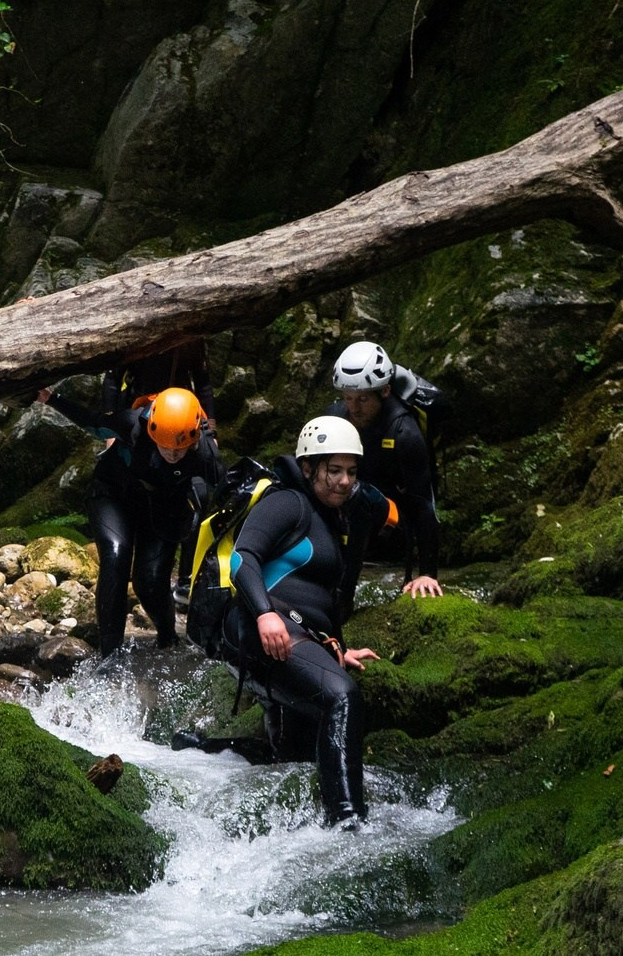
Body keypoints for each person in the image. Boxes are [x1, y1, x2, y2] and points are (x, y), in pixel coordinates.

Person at [218, 416, 381, 823]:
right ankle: (347, 820)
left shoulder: (331, 519)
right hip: (260, 632)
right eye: (334, 470)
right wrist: (265, 614)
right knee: (342, 697)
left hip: (295, 634)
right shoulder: (287, 502)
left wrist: (338, 649)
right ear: (309, 468)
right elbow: (243, 559)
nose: (344, 481)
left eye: (351, 472)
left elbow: (322, 600)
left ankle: (200, 749)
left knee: (292, 756)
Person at [44, 384, 224, 653]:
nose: (173, 454)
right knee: (116, 556)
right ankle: (110, 655)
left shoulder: (205, 454)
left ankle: (168, 639)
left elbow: (224, 491)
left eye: (180, 448)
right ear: (152, 430)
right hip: (114, 494)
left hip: (164, 507)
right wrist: (51, 399)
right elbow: (92, 423)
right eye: (165, 446)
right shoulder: (132, 424)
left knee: (149, 582)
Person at [324, 340, 443, 598]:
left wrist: (427, 573)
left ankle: (343, 597)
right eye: (348, 398)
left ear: (385, 391)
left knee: (359, 497)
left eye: (363, 400)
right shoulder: (337, 417)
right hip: (354, 514)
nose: (354, 408)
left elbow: (424, 502)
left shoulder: (404, 432)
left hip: (395, 518)